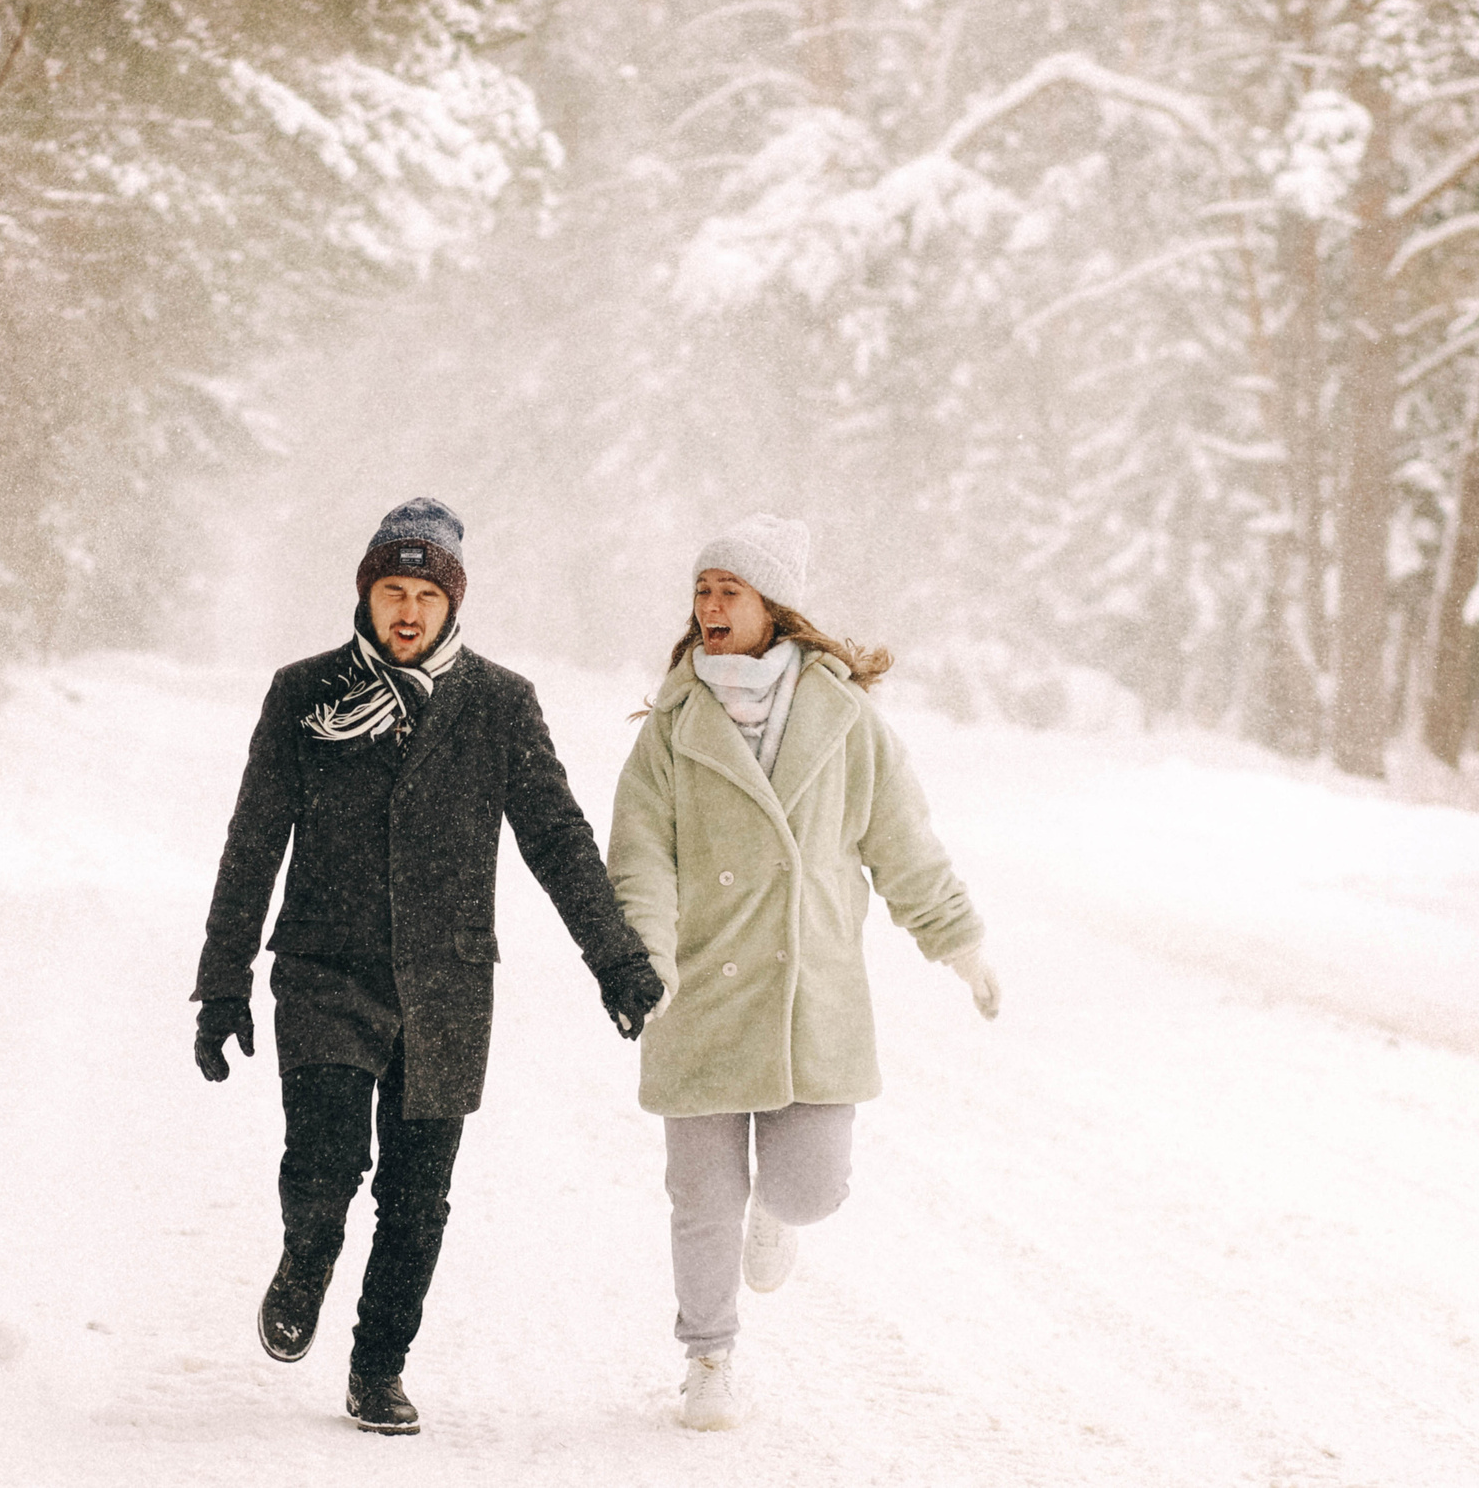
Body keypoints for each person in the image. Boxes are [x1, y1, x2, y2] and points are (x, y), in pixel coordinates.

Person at [192, 496, 667, 1437]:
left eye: (426, 596)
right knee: (325, 1160)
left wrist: (615, 959)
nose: (407, 612)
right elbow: (253, 841)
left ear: (453, 604)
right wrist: (222, 981)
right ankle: (307, 1254)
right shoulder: (304, 694)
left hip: (446, 983)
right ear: (366, 595)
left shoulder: (499, 705)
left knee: (416, 1199)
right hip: (326, 968)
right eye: (391, 592)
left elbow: (557, 837)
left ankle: (378, 1367)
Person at [605, 513, 1000, 1431]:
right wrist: (646, 959)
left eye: (729, 590)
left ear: (773, 606)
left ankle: (776, 1211)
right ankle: (708, 1358)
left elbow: (904, 846)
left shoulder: (848, 721)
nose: (710, 605)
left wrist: (960, 942)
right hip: (700, 995)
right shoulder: (672, 726)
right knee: (701, 1199)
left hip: (808, 996)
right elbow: (640, 857)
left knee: (810, 1187)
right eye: (702, 590)